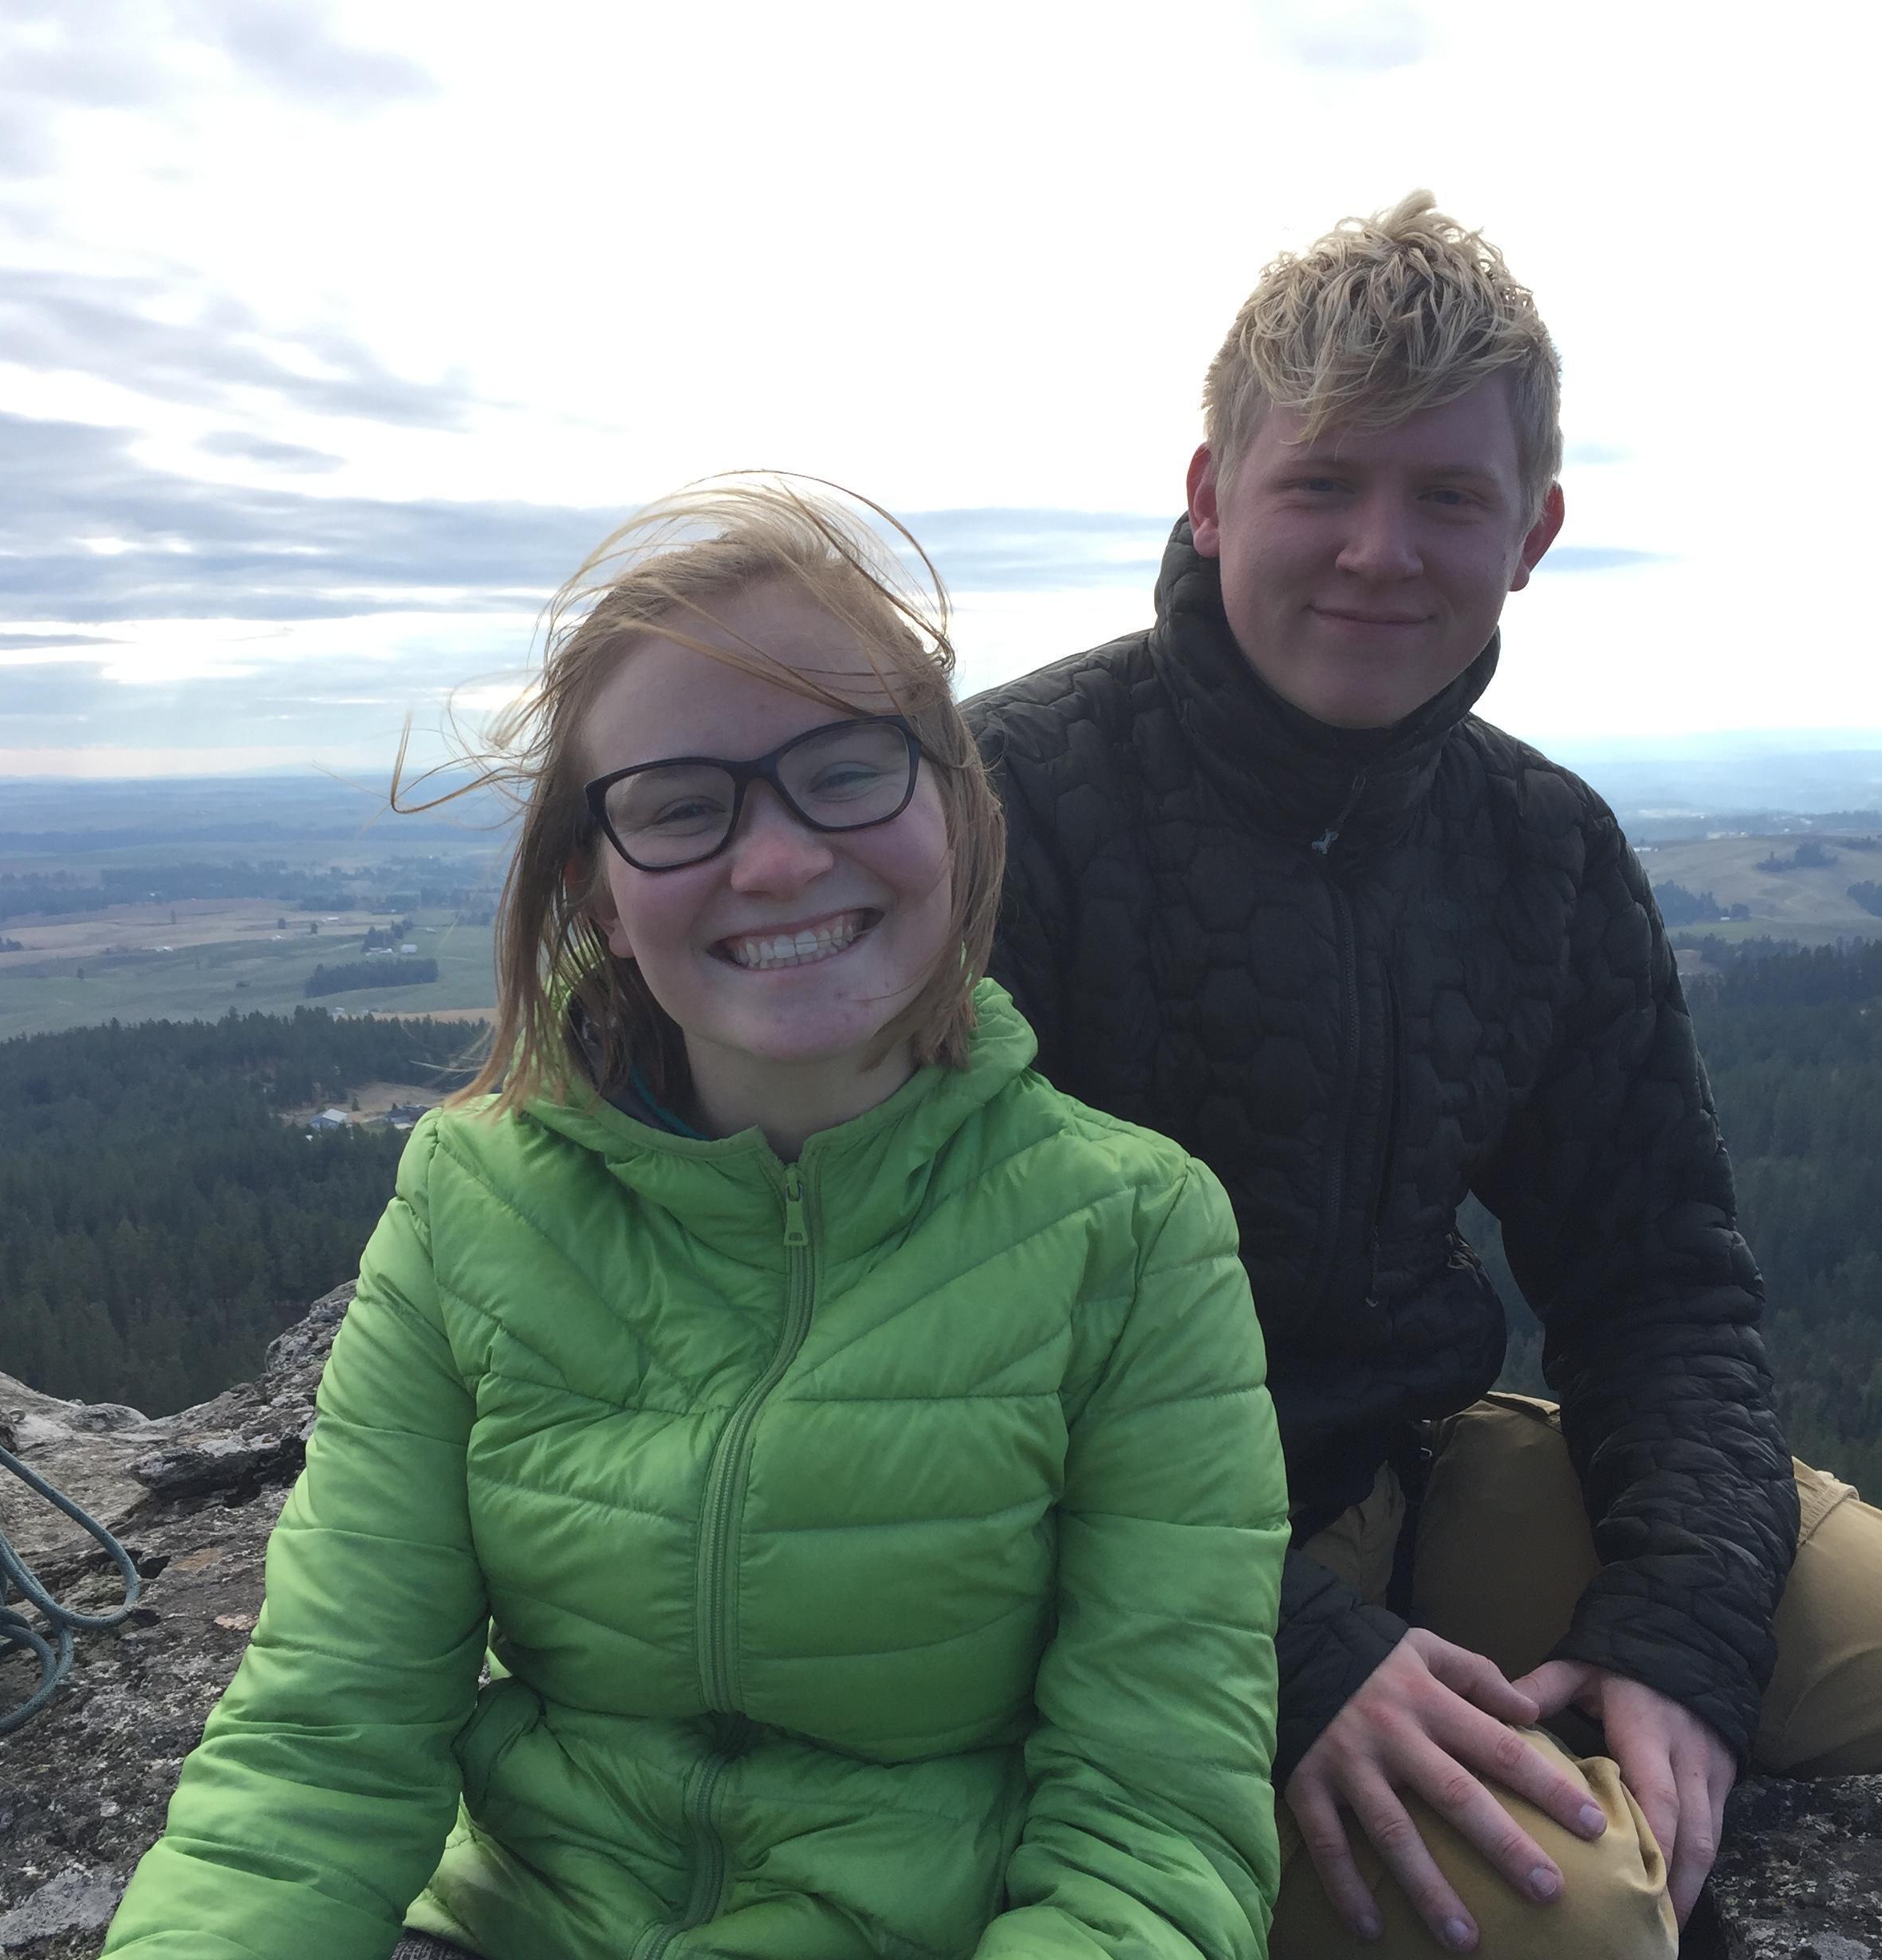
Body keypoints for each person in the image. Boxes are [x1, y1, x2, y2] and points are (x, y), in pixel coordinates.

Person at [100, 477, 1292, 1960]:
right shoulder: (469, 1202)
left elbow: (1150, 1829)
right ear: (599, 892)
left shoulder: (1135, 1236)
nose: (779, 857)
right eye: (680, 807)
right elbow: (321, 1747)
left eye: (846, 770)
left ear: (958, 807)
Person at [963, 195, 1882, 1958]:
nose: (1382, 551)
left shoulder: (1539, 848)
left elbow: (1659, 1284)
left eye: (1447, 496)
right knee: (1587, 1920)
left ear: (1531, 531)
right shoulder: (1011, 813)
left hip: (1408, 1475)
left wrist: (1676, 1633)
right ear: (1212, 495)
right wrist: (1298, 1655)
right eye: (1323, 484)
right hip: (1092, 1564)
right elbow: (916, 1349)